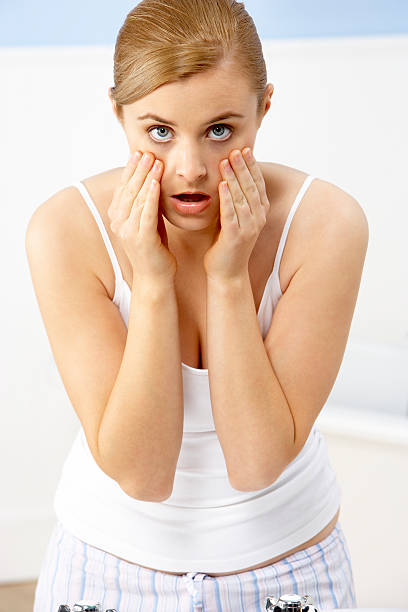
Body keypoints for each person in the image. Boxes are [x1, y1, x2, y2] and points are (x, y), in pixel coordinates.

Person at [26, 0, 368, 610]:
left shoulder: (326, 224)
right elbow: (142, 474)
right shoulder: (65, 230)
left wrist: (229, 277)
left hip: (288, 575)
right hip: (106, 574)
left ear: (263, 110)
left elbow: (259, 462)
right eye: (158, 131)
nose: (190, 170)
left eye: (220, 131)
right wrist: (152, 283)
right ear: (119, 115)